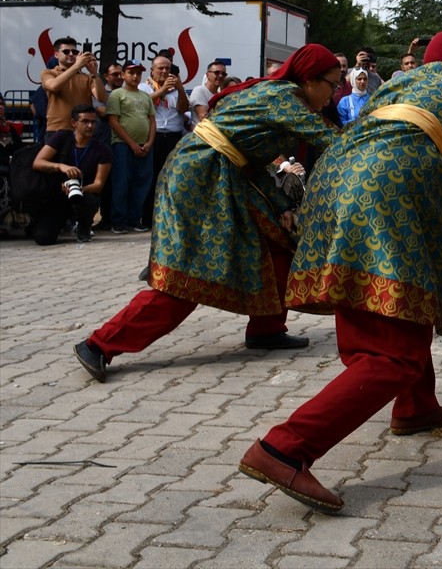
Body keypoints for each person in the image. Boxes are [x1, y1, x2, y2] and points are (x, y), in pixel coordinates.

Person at [239, 30, 442, 514]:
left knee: (396, 297)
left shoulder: (397, 83)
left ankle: (416, 407)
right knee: (392, 355)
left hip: (334, 181)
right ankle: (285, 448)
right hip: (382, 192)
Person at [72, 44, 344, 384]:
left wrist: (282, 205)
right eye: (332, 85)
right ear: (309, 80)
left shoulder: (279, 95)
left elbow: (255, 162)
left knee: (276, 240)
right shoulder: (284, 98)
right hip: (200, 177)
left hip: (222, 173)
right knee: (188, 280)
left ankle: (267, 328)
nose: (334, 94)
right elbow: (334, 141)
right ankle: (98, 345)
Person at [30, 105, 112, 244]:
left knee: (90, 200)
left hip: (83, 196)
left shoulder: (103, 149)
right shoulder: (61, 137)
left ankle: (84, 225)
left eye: (93, 122)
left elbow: (98, 185)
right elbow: (37, 163)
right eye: (85, 121)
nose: (90, 126)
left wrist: (79, 190)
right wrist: (60, 166)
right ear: (74, 123)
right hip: (57, 195)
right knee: (43, 238)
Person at [141, 54, 191, 225]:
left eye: (167, 68)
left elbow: (183, 109)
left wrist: (181, 88)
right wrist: (162, 90)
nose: (164, 71)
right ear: (152, 70)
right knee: (151, 178)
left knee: (172, 178)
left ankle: (169, 218)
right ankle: (147, 218)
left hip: (173, 137)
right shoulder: (144, 87)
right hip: (154, 137)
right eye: (160, 68)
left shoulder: (176, 90)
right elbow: (143, 104)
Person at [106, 62, 156, 233]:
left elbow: (152, 121)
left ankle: (134, 219)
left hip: (145, 146)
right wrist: (132, 143)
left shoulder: (146, 96)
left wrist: (149, 142)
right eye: (131, 73)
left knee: (141, 183)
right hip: (122, 145)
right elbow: (113, 121)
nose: (135, 76)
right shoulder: (116, 94)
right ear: (123, 75)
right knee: (121, 182)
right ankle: (118, 220)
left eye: (138, 73)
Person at [41, 37, 109, 138]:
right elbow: (54, 86)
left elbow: (102, 98)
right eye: (66, 51)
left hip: (82, 131)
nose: (71, 54)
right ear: (56, 54)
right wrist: (77, 66)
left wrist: (94, 73)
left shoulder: (88, 77)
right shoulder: (48, 73)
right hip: (57, 129)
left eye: (74, 51)